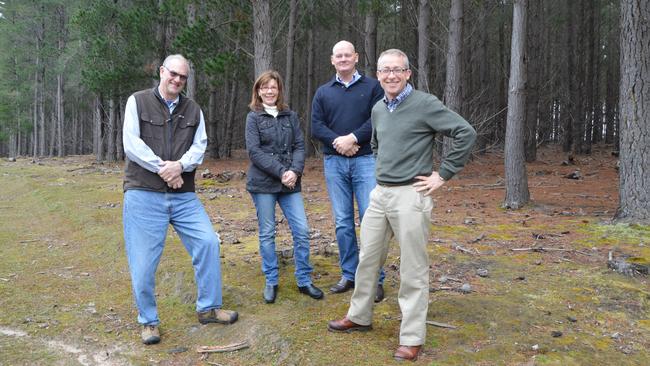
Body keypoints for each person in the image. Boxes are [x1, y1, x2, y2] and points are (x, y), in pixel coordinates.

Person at [327, 49, 476, 362]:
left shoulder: (425, 104)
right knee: (367, 259)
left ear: (408, 73)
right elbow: (379, 144)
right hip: (380, 194)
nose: (391, 75)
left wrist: (443, 174)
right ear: (378, 75)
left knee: (412, 268)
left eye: (397, 70)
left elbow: (465, 132)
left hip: (412, 195)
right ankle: (359, 316)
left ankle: (411, 339)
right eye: (385, 70)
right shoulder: (379, 108)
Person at [122, 54, 238, 345]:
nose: (177, 80)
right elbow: (131, 144)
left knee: (208, 242)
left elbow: (199, 148)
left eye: (182, 77)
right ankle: (149, 321)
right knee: (144, 262)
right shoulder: (137, 101)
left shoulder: (193, 109)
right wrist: (165, 168)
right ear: (162, 71)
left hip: (183, 195)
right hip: (143, 192)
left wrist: (180, 167)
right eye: (172, 74)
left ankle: (209, 308)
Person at [311, 40, 386, 302]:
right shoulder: (323, 92)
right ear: (332, 60)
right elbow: (316, 126)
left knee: (371, 220)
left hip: (366, 161)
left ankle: (375, 278)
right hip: (334, 163)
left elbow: (377, 119)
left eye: (347, 55)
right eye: (338, 56)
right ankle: (349, 274)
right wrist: (338, 143)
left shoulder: (373, 87)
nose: (343, 59)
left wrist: (353, 138)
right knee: (342, 222)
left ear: (356, 57)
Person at [245, 70, 324, 303]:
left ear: (279, 90)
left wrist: (295, 171)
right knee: (268, 233)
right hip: (263, 184)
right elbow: (254, 152)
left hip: (290, 183)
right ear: (258, 91)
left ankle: (304, 280)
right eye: (265, 87)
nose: (269, 91)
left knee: (301, 230)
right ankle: (271, 280)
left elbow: (300, 146)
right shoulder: (253, 117)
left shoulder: (290, 116)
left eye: (274, 87)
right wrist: (281, 172)